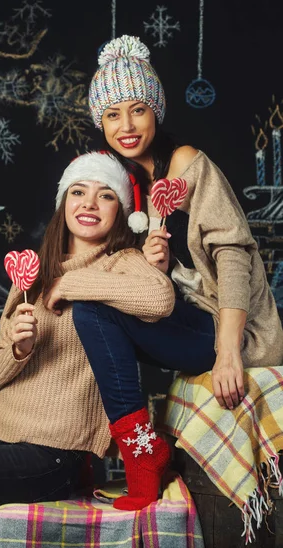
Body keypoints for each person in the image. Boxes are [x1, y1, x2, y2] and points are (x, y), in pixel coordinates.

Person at [0, 151, 175, 514]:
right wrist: (19, 348)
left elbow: (160, 298)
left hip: (48, 459)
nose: (89, 203)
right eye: (78, 192)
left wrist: (68, 284)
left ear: (121, 209)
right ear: (63, 202)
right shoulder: (33, 272)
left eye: (106, 195)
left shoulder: (123, 264)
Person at [70, 34, 283, 508]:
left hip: (226, 328)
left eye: (137, 109)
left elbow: (234, 253)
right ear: (99, 122)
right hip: (179, 323)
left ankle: (142, 457)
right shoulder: (121, 184)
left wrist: (229, 350)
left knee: (92, 309)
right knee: (91, 310)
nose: (126, 125)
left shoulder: (185, 165)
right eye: (111, 114)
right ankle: (111, 451)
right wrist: (156, 270)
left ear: (156, 111)